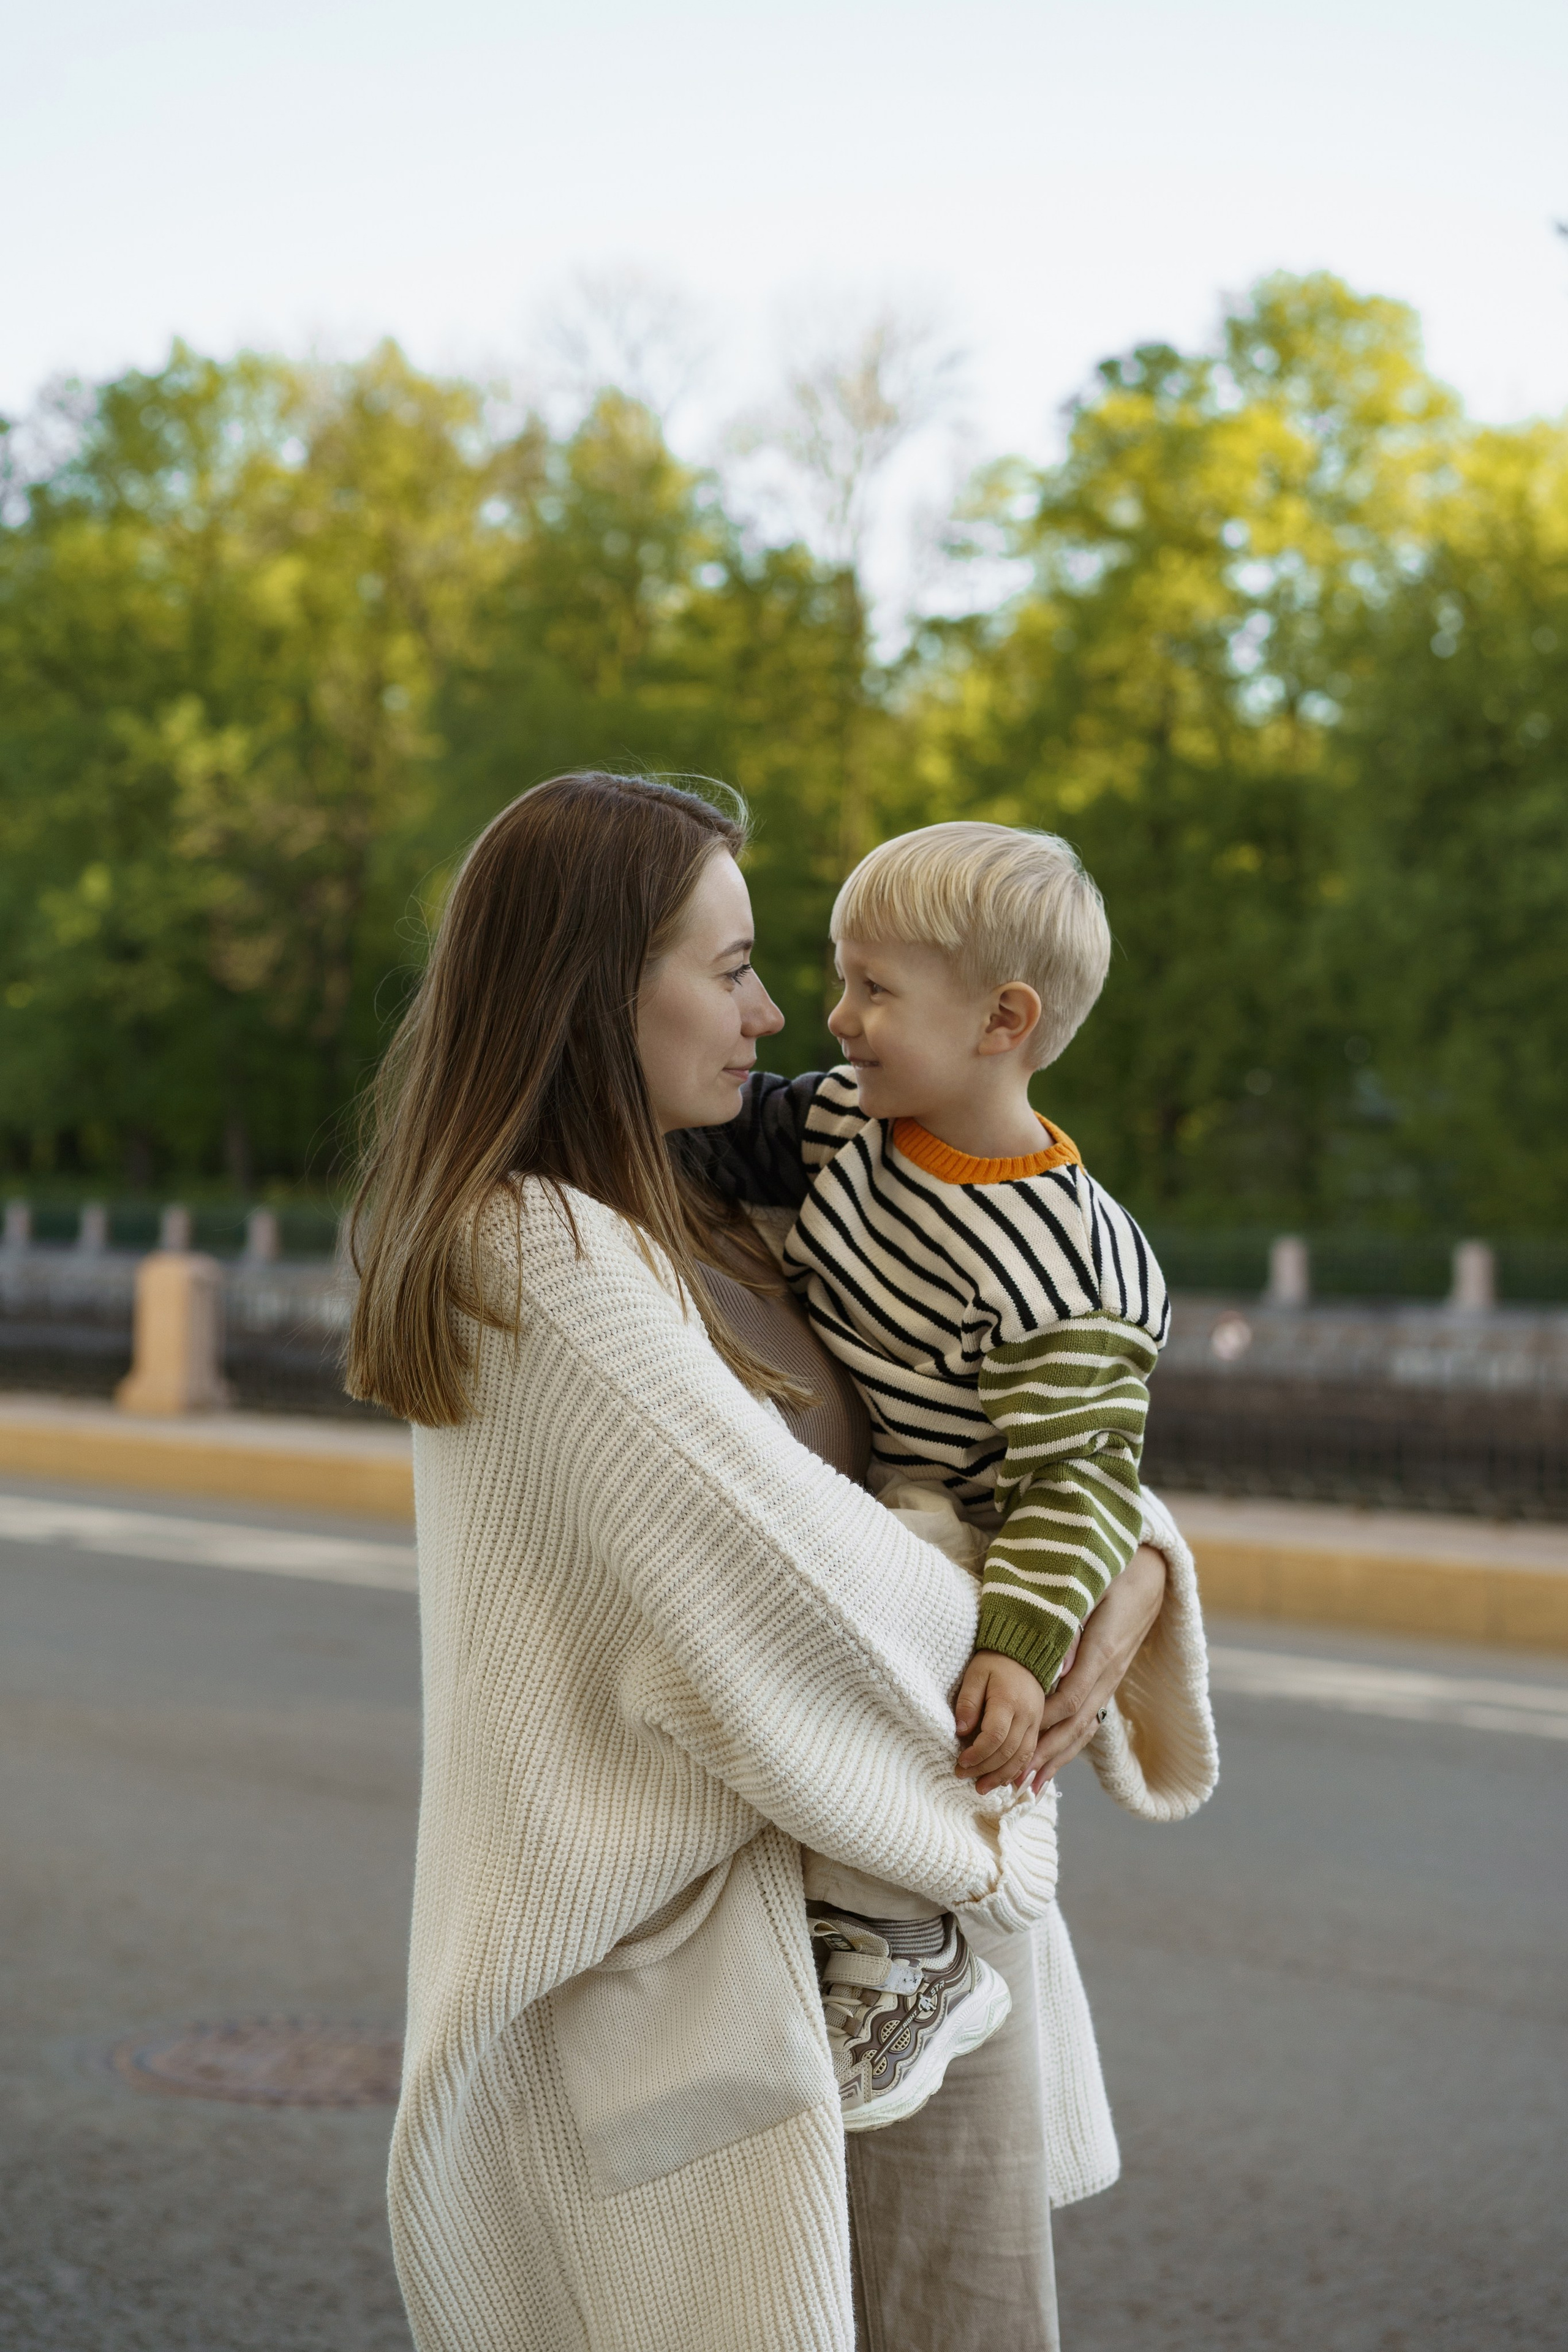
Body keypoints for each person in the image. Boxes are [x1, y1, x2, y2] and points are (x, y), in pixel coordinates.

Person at [347, 771, 1218, 2352]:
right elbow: (823, 1602)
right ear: (598, 986)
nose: (782, 1018)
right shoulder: (540, 1254)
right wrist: (1099, 1582)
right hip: (764, 1988)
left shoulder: (706, 1204)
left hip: (879, 1964)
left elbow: (954, 1432)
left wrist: (1135, 1549)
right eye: (734, 965)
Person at [684, 820, 1170, 2133]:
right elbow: (720, 1142)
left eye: (874, 990)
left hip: (981, 1518)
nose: (834, 1020)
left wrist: (1018, 1646)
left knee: (923, 1696)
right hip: (889, 1476)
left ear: (1001, 1019)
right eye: (843, 981)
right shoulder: (852, 1123)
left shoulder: (1066, 1265)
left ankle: (913, 1948)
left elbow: (1076, 1486)